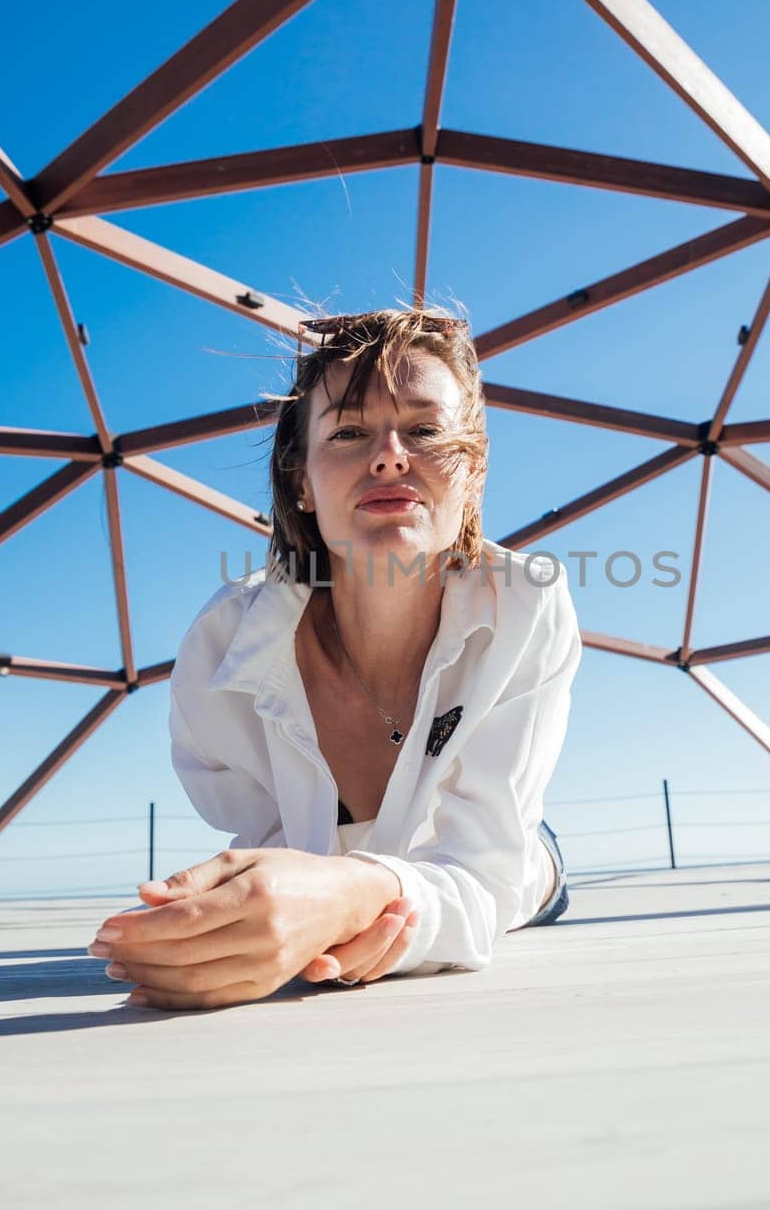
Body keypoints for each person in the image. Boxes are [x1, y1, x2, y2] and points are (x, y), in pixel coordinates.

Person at [87, 306, 583, 1010]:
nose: (388, 455)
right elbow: (275, 851)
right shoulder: (223, 646)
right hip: (383, 877)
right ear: (299, 482)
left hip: (512, 856)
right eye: (348, 432)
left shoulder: (527, 606)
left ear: (470, 475)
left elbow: (484, 875)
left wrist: (365, 896)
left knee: (532, 876)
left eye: (424, 430)